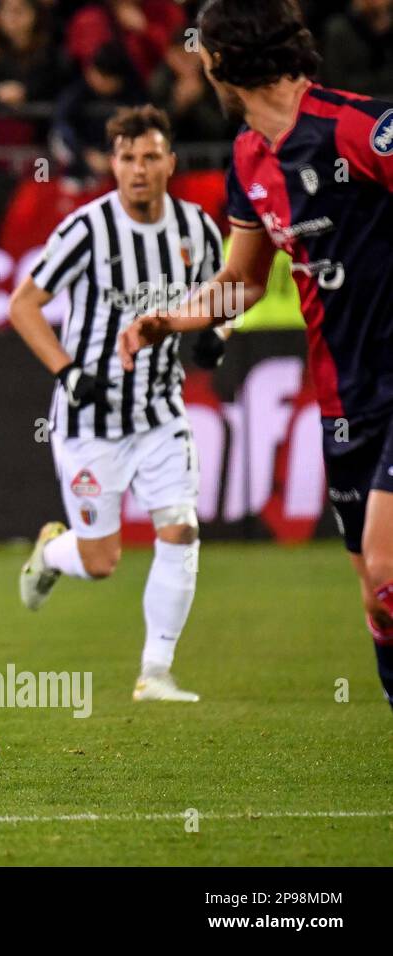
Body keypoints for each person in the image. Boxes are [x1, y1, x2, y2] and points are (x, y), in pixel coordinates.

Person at [120, 0, 393, 711]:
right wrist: (168, 319)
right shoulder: (249, 154)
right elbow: (240, 283)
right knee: (380, 598)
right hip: (345, 398)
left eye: (202, 50)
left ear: (224, 59)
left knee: (389, 571)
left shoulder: (361, 127)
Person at [10, 105, 226, 703]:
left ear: (170, 163)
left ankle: (155, 672)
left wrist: (218, 334)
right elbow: (24, 304)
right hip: (90, 418)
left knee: (180, 529)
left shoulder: (198, 231)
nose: (139, 169)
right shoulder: (87, 230)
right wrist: (67, 371)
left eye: (151, 156)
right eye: (128, 158)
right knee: (102, 561)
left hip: (161, 412)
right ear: (113, 164)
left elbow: (223, 298)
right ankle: (52, 552)